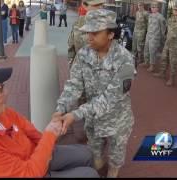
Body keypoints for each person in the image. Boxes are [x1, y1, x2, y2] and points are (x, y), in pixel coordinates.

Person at [0, 61, 99, 178]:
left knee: (86, 154)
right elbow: (30, 173)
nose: (6, 92)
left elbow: (26, 128)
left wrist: (46, 146)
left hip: (35, 156)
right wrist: (50, 136)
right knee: (90, 174)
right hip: (31, 172)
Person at [56, 9, 135, 178]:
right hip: (93, 121)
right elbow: (74, 85)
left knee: (115, 160)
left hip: (117, 122)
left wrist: (75, 114)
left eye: (95, 32)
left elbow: (111, 98)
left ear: (110, 34)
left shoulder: (125, 59)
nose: (89, 37)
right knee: (96, 157)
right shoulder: (83, 54)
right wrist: (60, 108)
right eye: (88, 32)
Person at [153, 4, 177, 86]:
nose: (175, 11)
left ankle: (171, 79)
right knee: (164, 58)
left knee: (173, 63)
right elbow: (167, 30)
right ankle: (162, 73)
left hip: (175, 46)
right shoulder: (170, 20)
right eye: (174, 10)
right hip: (167, 43)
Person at [67, 0, 105, 68]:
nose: (100, 8)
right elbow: (71, 49)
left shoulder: (108, 25)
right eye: (96, 5)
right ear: (85, 6)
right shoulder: (78, 24)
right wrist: (72, 68)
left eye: (102, 5)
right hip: (80, 71)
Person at [141, 2, 166, 72]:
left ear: (158, 8)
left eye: (154, 7)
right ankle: (146, 62)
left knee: (152, 51)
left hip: (155, 37)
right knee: (146, 49)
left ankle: (152, 66)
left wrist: (161, 39)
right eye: (152, 7)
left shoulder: (161, 17)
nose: (153, 8)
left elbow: (163, 29)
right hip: (148, 35)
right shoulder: (150, 16)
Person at [131, 2, 149, 66]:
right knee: (134, 44)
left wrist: (146, 32)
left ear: (143, 6)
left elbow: (148, 23)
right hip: (135, 30)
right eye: (138, 5)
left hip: (141, 31)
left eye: (140, 5)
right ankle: (133, 57)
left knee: (140, 46)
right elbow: (136, 21)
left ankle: (140, 59)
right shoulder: (137, 12)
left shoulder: (146, 13)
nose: (139, 7)